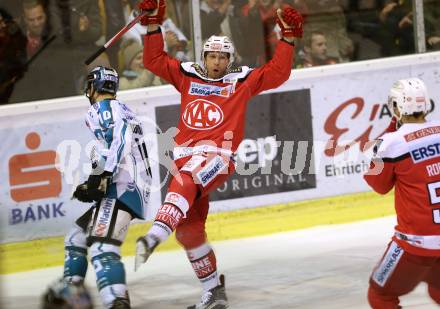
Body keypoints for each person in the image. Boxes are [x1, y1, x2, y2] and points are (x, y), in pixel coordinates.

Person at [133, 0, 304, 308]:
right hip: (185, 157)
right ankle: (213, 292)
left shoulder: (240, 81)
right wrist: (153, 26)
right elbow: (154, 60)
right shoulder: (188, 76)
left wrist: (288, 38)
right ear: (204, 57)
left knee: (188, 177)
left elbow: (278, 73)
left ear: (230, 58)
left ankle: (155, 233)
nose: (215, 62)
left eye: (221, 57)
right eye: (211, 56)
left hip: (218, 157)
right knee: (189, 231)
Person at [61, 66, 152, 309]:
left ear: (93, 87)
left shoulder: (103, 108)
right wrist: (93, 180)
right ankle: (73, 298)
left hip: (125, 188)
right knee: (76, 237)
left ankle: (116, 302)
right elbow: (113, 146)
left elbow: (120, 139)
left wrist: (104, 174)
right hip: (127, 186)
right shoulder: (121, 108)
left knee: (102, 247)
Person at [364, 77, 440, 308]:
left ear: (395, 107)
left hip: (415, 244)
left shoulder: (389, 144)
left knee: (380, 296)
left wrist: (388, 131)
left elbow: (379, 185)